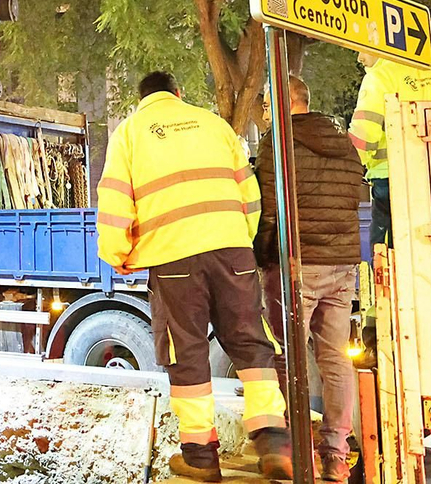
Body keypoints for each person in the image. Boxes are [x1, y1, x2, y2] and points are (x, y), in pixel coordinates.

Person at [97, 72, 291, 482]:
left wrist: (118, 254)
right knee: (251, 341)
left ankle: (201, 457)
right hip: (232, 249)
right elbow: (249, 194)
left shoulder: (130, 133)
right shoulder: (215, 125)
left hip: (174, 258)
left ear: (142, 98)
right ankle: (274, 441)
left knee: (185, 354)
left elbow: (115, 201)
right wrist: (241, 238)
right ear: (178, 93)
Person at [255, 75, 365, 484]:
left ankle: (294, 447)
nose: (265, 114)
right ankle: (336, 454)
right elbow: (353, 199)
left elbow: (269, 209)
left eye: (267, 106)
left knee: (287, 356)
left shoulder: (277, 144)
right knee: (335, 359)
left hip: (296, 265)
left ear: (283, 103)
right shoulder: (343, 144)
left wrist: (263, 257)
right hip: (342, 265)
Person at [349, 52, 431, 247]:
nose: (359, 58)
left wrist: (347, 168)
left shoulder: (380, 77)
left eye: (361, 48)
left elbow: (364, 137)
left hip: (392, 179)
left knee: (388, 254)